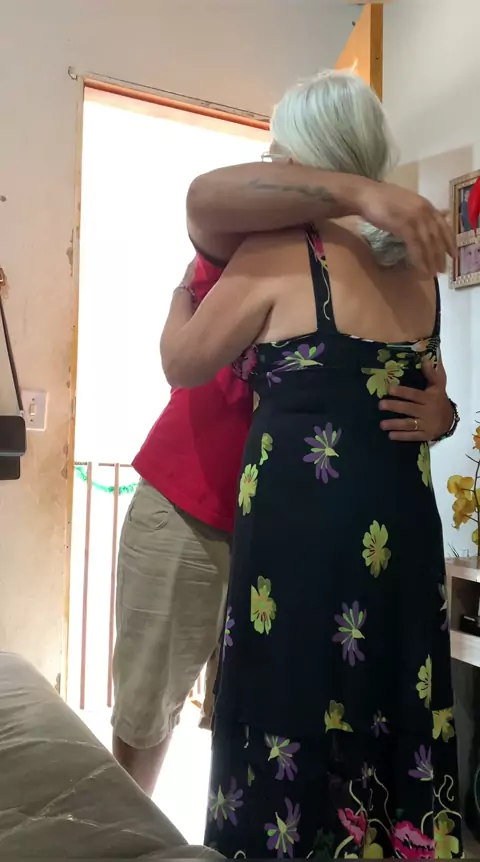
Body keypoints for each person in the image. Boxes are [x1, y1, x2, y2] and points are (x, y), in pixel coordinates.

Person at [112, 94, 457, 799]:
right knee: (149, 717)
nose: (271, 163)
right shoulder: (244, 229)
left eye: (280, 152)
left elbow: (415, 383)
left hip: (297, 536)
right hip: (191, 502)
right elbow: (202, 200)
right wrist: (360, 190)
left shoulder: (390, 265)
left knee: (279, 719)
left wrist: (444, 415)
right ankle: (126, 835)